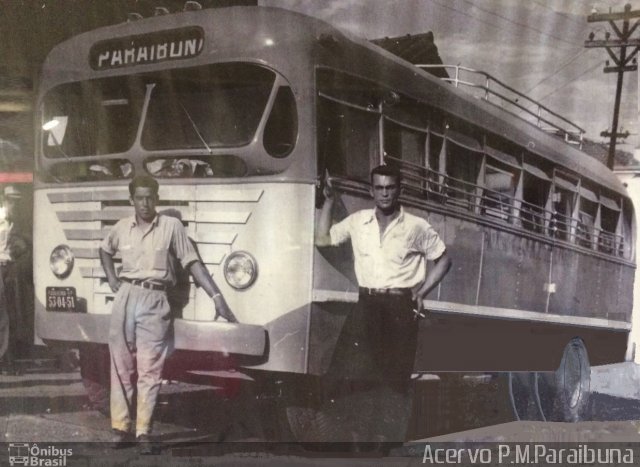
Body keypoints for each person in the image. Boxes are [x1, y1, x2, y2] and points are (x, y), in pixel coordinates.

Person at [100, 175, 237, 451]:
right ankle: (120, 428)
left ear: (157, 199)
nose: (145, 203)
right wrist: (113, 278)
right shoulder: (121, 227)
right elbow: (104, 250)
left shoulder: (172, 227)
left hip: (155, 300)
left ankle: (143, 432)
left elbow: (192, 263)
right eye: (139, 198)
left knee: (150, 368)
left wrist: (217, 297)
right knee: (121, 366)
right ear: (132, 200)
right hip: (125, 295)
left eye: (150, 197)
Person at [315, 164, 451, 440]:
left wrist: (422, 292)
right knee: (350, 372)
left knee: (393, 378)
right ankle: (356, 438)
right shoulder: (357, 221)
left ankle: (386, 446)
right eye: (379, 187)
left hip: (400, 307)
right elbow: (322, 239)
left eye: (390, 187)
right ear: (371, 190)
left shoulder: (416, 226)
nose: (385, 193)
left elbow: (444, 260)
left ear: (399, 190)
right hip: (366, 304)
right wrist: (329, 201)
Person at [0, 185, 30, 375]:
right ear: (5, 201)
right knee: (3, 316)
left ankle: (6, 359)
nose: (15, 206)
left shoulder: (14, 221)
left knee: (11, 314)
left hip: (10, 269)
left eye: (18, 202)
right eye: (12, 202)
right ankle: (4, 362)